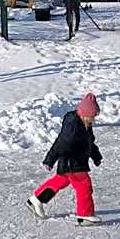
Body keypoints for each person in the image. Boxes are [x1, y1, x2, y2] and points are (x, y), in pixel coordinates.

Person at [28, 93, 102, 225]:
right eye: (93, 116)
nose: (94, 119)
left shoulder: (86, 124)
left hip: (76, 161)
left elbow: (90, 142)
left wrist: (96, 156)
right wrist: (50, 160)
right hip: (72, 162)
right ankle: (84, 215)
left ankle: (37, 199)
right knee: (84, 185)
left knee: (60, 181)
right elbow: (61, 144)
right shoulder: (73, 126)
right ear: (85, 113)